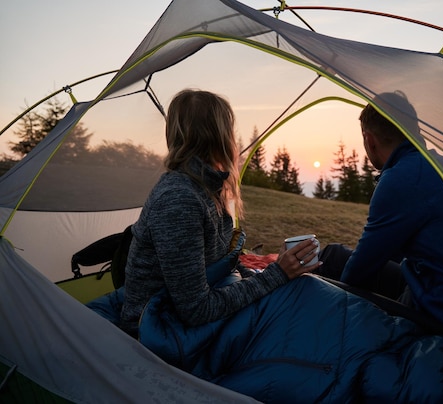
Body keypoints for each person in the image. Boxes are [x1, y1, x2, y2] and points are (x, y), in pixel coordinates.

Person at [119, 89, 321, 337]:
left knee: (309, 292)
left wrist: (270, 273)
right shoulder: (178, 200)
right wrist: (276, 275)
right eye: (231, 130)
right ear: (220, 136)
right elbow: (196, 310)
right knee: (312, 314)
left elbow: (222, 267)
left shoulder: (205, 187)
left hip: (190, 312)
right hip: (161, 328)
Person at [318, 91, 443, 337]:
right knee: (333, 255)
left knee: (327, 272)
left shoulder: (403, 178)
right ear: (415, 130)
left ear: (369, 139)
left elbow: (358, 274)